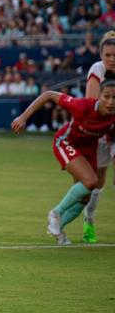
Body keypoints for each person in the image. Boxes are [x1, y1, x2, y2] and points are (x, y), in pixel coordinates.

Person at [11, 73, 115, 245]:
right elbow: (49, 95)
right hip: (66, 142)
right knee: (91, 182)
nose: (111, 102)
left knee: (84, 197)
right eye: (106, 96)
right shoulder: (83, 106)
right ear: (99, 96)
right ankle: (56, 213)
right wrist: (23, 117)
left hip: (89, 150)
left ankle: (58, 228)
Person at [81, 31, 115, 243]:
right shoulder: (97, 70)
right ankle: (89, 218)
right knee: (98, 180)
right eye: (108, 55)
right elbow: (92, 104)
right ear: (101, 55)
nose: (112, 59)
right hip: (101, 129)